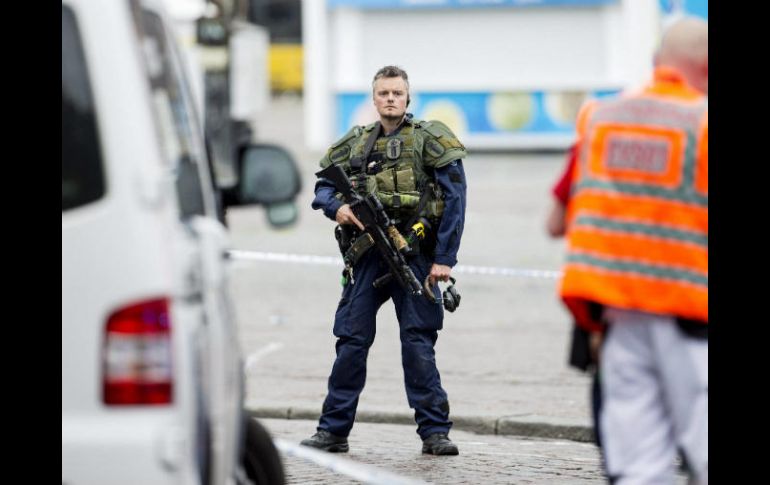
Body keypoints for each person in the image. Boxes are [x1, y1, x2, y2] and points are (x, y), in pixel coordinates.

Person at [557, 17, 708, 484]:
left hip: (618, 318)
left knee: (639, 466)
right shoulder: (702, 122)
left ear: (656, 63)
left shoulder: (601, 118)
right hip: (693, 320)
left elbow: (555, 218)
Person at [301, 65, 468, 456]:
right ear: (373, 99)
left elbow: (456, 198)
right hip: (367, 256)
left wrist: (444, 258)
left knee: (417, 343)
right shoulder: (356, 143)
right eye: (383, 93)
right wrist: (338, 208)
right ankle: (333, 430)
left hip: (415, 255)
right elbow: (323, 187)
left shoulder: (431, 139)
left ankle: (434, 432)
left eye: (397, 93)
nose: (390, 99)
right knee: (352, 340)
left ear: (408, 97)